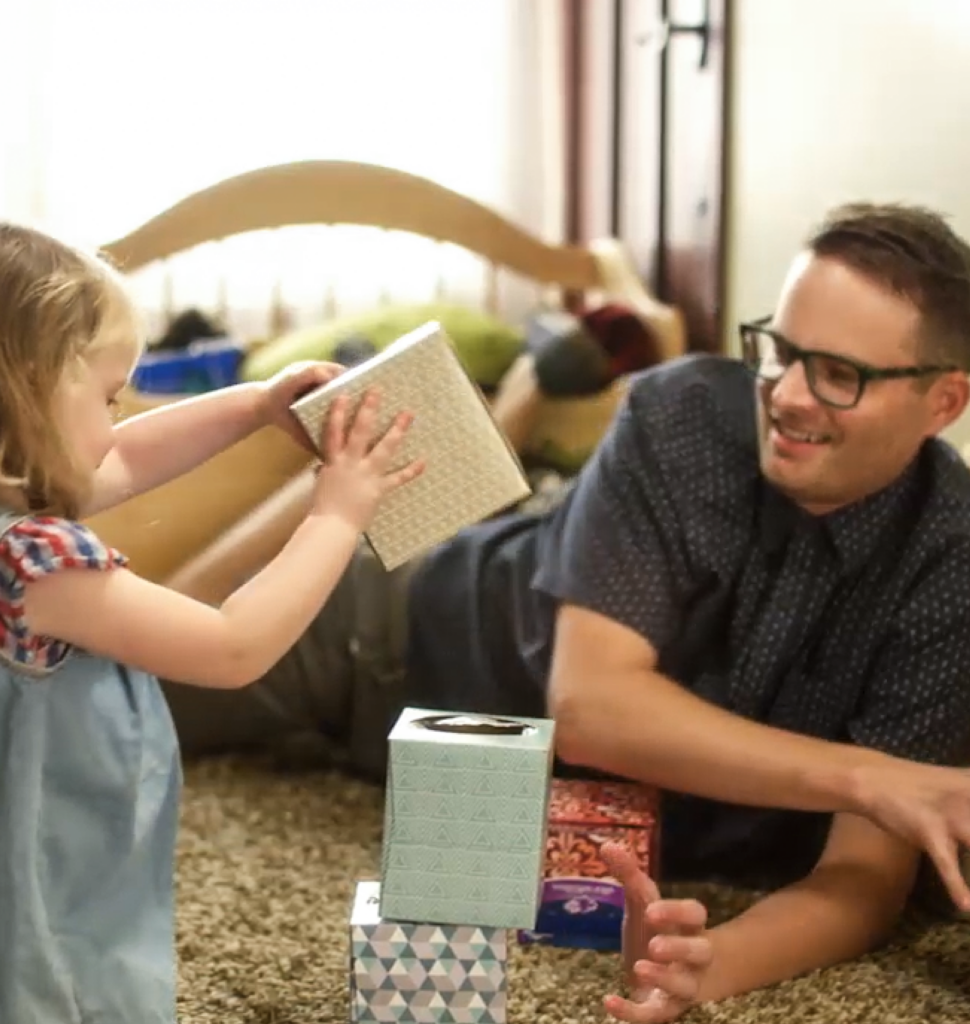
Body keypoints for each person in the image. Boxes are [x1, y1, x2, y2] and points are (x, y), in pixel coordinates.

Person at [161, 201, 970, 1021]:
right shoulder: (680, 415)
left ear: (944, 402)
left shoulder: (950, 560)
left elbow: (867, 875)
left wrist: (713, 962)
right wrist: (867, 777)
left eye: (840, 375)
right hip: (395, 638)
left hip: (500, 799)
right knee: (121, 687)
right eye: (780, 352)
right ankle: (339, 478)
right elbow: (593, 712)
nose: (788, 396)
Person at [0, 221, 425, 1024]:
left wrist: (256, 405)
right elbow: (234, 647)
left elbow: (124, 459)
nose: (116, 420)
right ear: (29, 390)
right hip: (41, 850)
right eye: (107, 397)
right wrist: (337, 516)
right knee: (54, 971)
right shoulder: (32, 564)